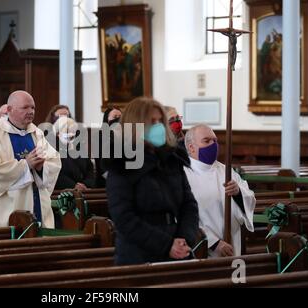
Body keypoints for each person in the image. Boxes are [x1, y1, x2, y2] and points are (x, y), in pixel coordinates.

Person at [106, 97, 199, 266]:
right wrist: (166, 245)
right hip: (138, 255)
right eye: (152, 122)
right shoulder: (121, 164)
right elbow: (124, 218)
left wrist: (184, 239)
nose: (158, 126)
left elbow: (189, 204)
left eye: (160, 121)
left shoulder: (171, 159)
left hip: (177, 249)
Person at [0, 91, 62, 229]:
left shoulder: (36, 133)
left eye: (33, 107)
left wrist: (41, 168)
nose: (31, 111)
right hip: (6, 212)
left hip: (37, 206)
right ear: (9, 109)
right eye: (25, 107)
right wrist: (26, 165)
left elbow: (54, 161)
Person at [184, 124, 255, 258]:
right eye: (207, 141)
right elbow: (183, 216)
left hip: (232, 244)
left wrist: (238, 193)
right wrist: (214, 243)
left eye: (215, 140)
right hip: (201, 247)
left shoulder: (226, 171)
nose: (213, 145)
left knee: (231, 278)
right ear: (191, 147)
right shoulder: (182, 174)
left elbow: (249, 198)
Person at [53, 117, 95, 192]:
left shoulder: (79, 148)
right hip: (62, 192)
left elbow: (89, 169)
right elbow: (55, 173)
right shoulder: (52, 150)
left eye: (73, 131)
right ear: (58, 133)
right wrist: (74, 186)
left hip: (84, 191)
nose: (71, 134)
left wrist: (85, 184)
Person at [95, 106, 123, 188]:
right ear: (106, 120)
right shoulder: (100, 136)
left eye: (120, 117)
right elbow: (101, 163)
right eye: (115, 117)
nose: (118, 119)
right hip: (106, 182)